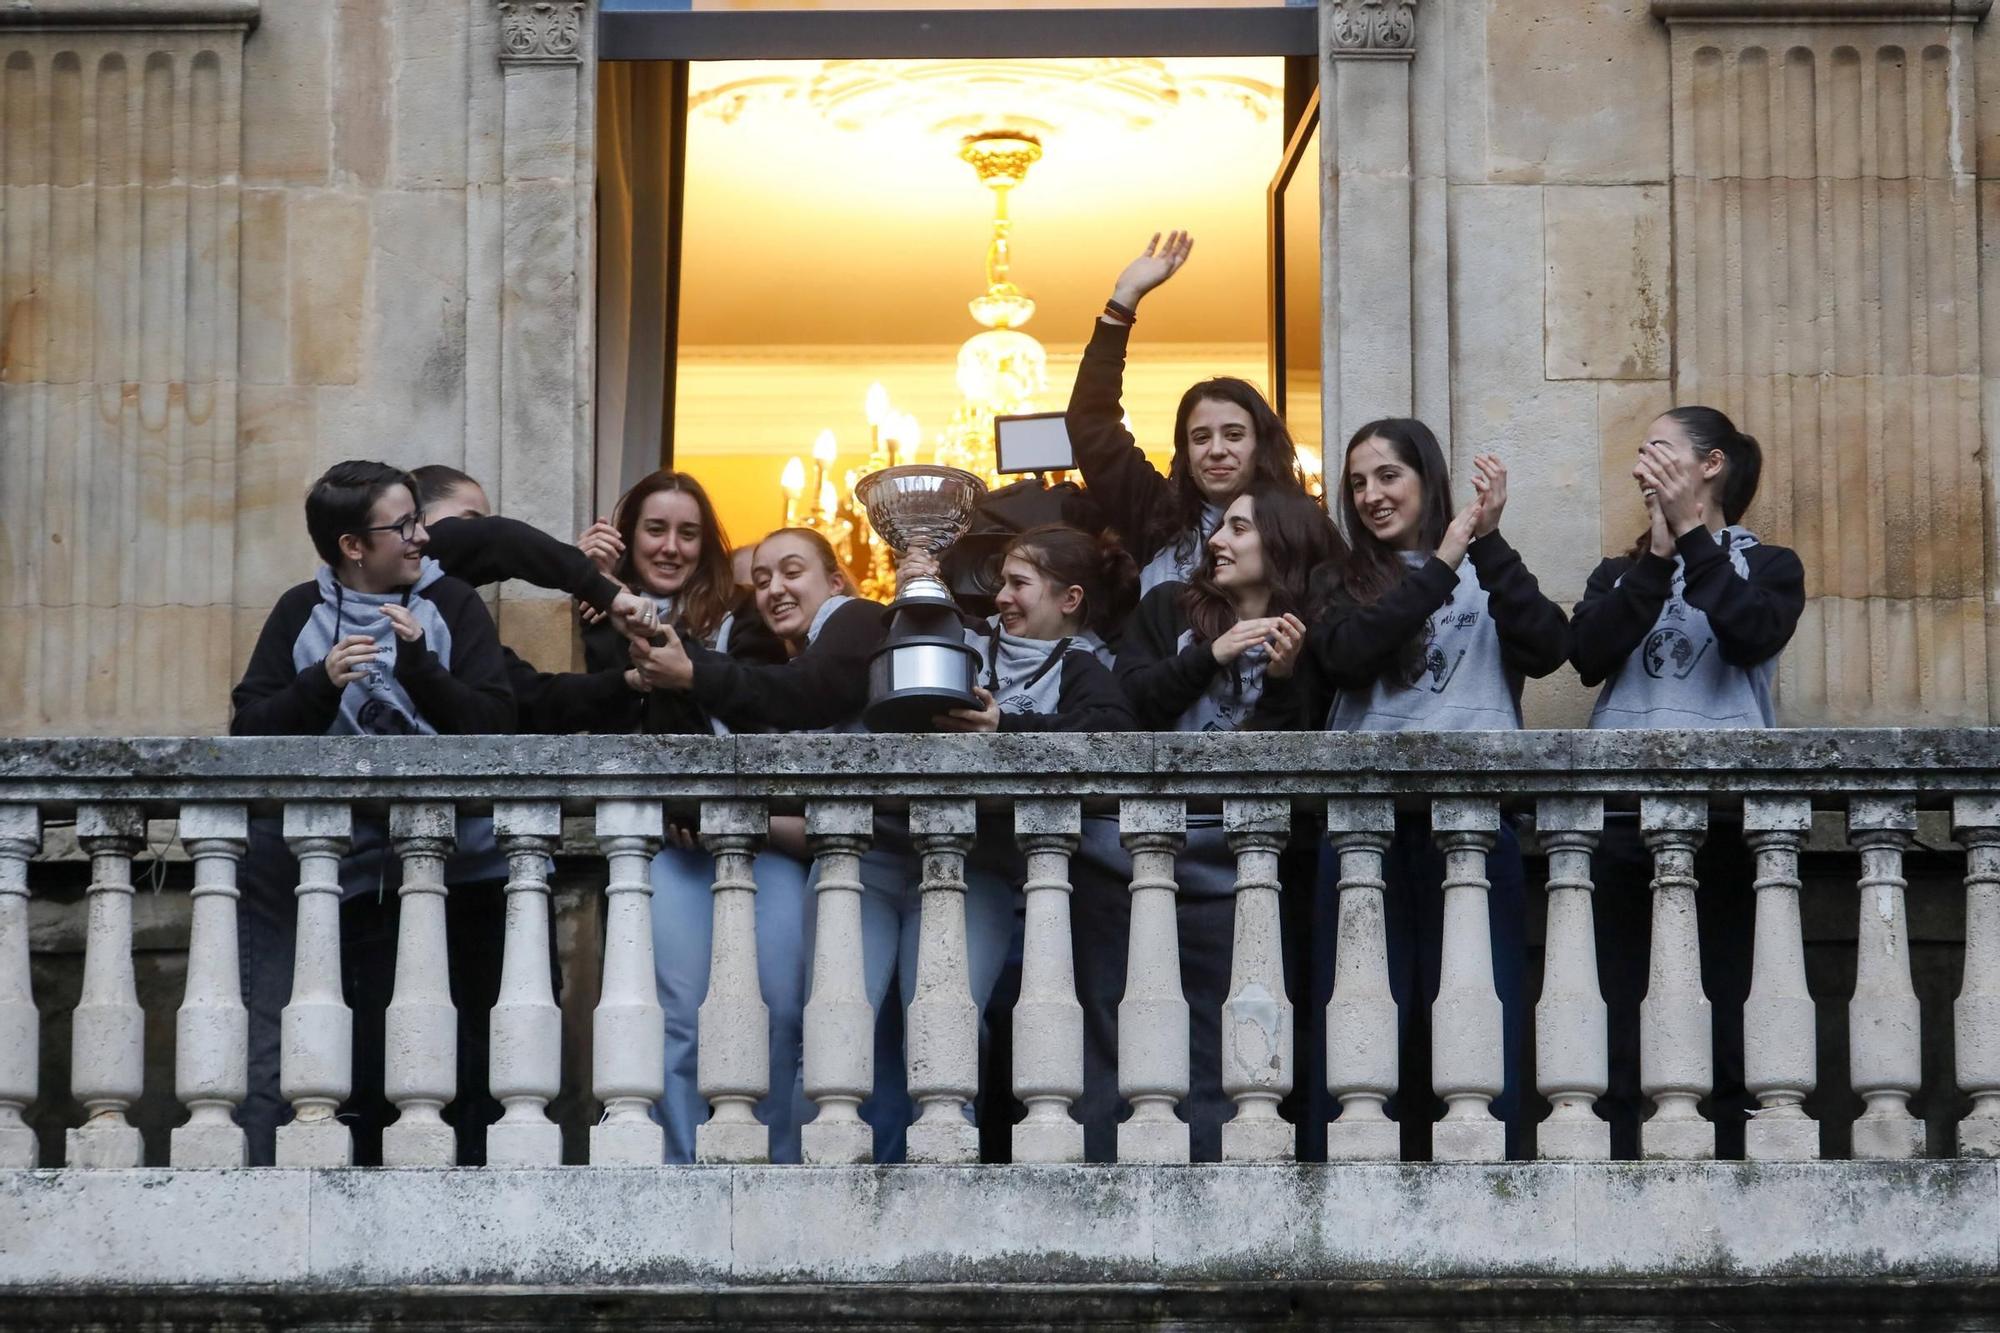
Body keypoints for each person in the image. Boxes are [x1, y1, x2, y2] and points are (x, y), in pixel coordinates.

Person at [231, 461, 516, 1165]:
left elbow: (498, 727)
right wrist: (319, 684)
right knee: (362, 1064)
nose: (422, 536)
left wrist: (421, 667)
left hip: (465, 872)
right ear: (354, 546)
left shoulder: (450, 603)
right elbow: (247, 734)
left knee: (472, 1060)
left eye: (419, 519)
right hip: (346, 881)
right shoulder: (301, 610)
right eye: (405, 525)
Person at [1307, 419, 1569, 1160]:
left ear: (1428, 476)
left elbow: (1552, 647)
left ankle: (1494, 1171)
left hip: (1476, 828)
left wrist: (1484, 544)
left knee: (1481, 1012)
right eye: (1357, 482)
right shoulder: (1341, 580)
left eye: (1388, 475)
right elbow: (1349, 656)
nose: (1370, 496)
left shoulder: (1487, 568)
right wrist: (1445, 558)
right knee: (1358, 1018)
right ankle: (1354, 1172)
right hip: (1364, 831)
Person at [1570, 406, 1806, 1159]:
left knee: (1729, 1000)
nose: (1644, 464)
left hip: (1728, 820)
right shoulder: (1619, 571)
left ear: (1711, 467)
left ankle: (1730, 1157)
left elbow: (1750, 632)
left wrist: (1695, 543)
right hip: (1616, 821)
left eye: (1660, 451)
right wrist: (1655, 561)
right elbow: (1587, 651)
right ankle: (1618, 1162)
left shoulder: (1771, 566)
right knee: (1615, 1002)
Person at [1078, 485, 1338, 1162]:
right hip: (1135, 855)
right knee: (1118, 1022)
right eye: (1221, 526)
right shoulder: (1170, 607)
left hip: (1246, 867)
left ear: (1282, 542)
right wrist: (1213, 653)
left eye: (1240, 528)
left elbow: (1295, 767)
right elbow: (1129, 702)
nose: (1219, 539)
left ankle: (1224, 1173)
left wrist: (1282, 682)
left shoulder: (1314, 632)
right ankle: (1113, 1173)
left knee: (1235, 1029)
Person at [584, 472, 813, 1164]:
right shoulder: (598, 618)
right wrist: (590, 587)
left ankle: (771, 1170)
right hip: (668, 846)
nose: (672, 546)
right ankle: (682, 1171)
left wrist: (675, 647)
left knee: (776, 1009)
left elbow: (765, 704)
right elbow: (606, 715)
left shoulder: (745, 615)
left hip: (758, 836)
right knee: (677, 1018)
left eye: (688, 532)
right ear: (629, 535)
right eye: (656, 529)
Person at [1065, 230, 1308, 596]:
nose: (1216, 449)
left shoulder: (1302, 527)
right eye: (1200, 437)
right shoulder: (1157, 515)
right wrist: (1123, 301)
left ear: (1261, 444)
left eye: (1234, 434)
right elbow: (1091, 423)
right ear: (1186, 453)